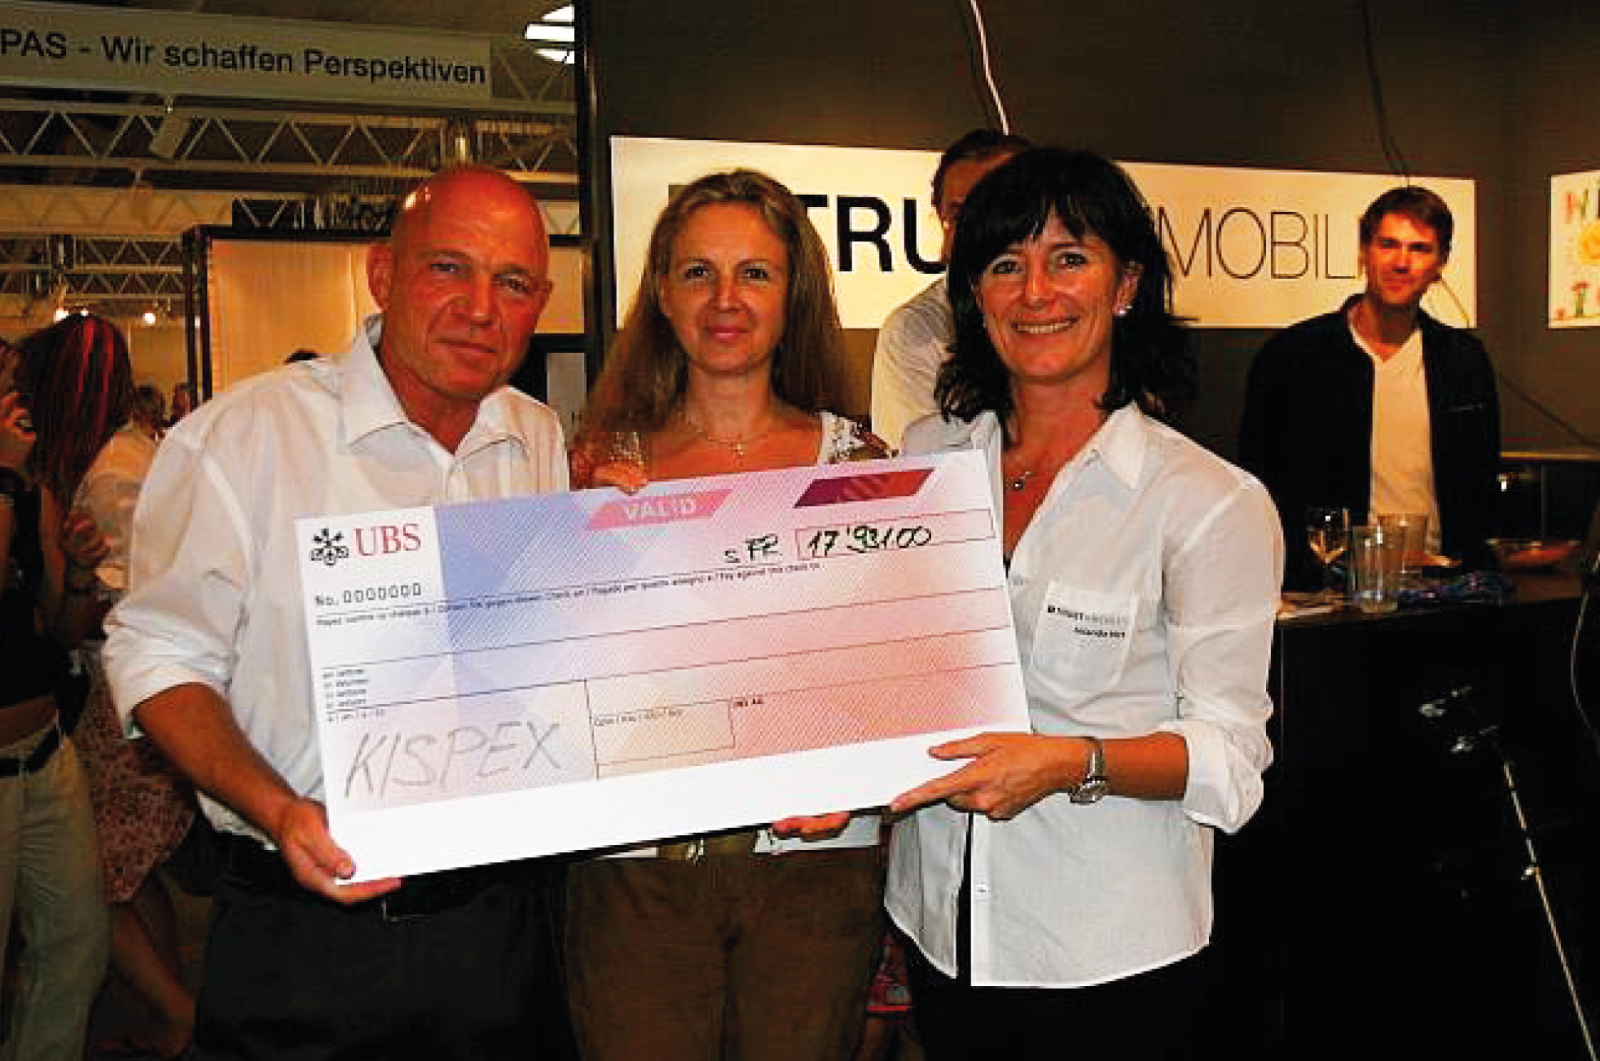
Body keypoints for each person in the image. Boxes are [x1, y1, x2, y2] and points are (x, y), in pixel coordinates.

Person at [102, 166, 570, 1060]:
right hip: (304, 934)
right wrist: (278, 809)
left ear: (539, 304)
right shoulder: (243, 438)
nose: (481, 308)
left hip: (498, 927)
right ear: (382, 274)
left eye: (513, 283)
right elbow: (158, 656)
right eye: (448, 268)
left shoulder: (535, 436)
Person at [884, 148, 1282, 1061]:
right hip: (941, 928)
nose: (1036, 292)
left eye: (1069, 258)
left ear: (1127, 283)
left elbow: (1232, 759)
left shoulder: (1206, 501)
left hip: (1107, 953)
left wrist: (1072, 762)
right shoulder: (927, 455)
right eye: (1005, 264)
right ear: (974, 294)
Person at [566, 169, 889, 1061]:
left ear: (793, 295)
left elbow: (897, 672)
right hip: (636, 871)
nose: (726, 300)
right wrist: (581, 543)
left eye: (755, 273)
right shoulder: (593, 470)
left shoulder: (864, 467)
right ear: (662, 294)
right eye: (698, 273)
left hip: (816, 865)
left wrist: (859, 767)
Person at [15, 315, 196, 1059]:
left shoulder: (114, 467)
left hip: (128, 699)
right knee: (128, 871)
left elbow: (135, 602)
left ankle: (176, 1011)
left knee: (92, 879)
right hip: (131, 693)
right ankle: (176, 1010)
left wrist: (69, 588)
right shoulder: (124, 454)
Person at [1239, 185, 1500, 590]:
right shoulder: (1292, 357)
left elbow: (1481, 485)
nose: (1401, 262)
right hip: (1328, 593)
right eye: (1388, 244)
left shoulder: (1464, 361)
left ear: (1441, 263)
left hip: (1445, 590)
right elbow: (1258, 486)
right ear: (1364, 251)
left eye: (1419, 249)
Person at [0, 335, 112, 1061]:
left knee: (76, 945)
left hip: (45, 753)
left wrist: (77, 574)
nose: (16, 400)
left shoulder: (30, 491)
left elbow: (62, 629)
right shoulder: (11, 483)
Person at [870, 130, 1033, 450]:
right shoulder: (915, 330)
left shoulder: (1073, 314)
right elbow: (921, 468)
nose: (980, 230)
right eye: (961, 216)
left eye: (998, 211)